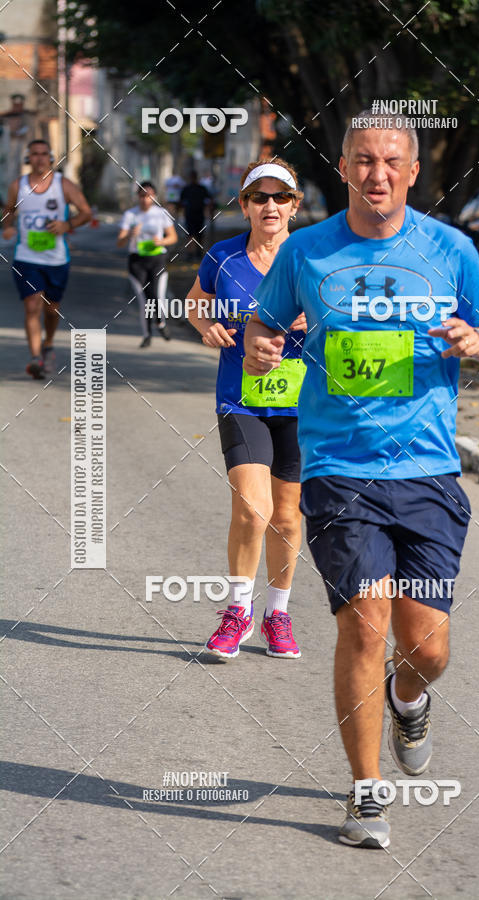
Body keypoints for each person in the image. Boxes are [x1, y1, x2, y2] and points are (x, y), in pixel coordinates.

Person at [244, 114, 479, 848]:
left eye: (392, 160)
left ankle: (408, 696)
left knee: (427, 649)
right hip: (339, 472)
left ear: (414, 170)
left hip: (428, 474)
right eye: (364, 160)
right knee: (365, 623)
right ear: (343, 167)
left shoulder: (451, 250)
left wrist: (477, 341)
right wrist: (264, 350)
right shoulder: (306, 251)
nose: (377, 173)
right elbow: (264, 328)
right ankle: (366, 794)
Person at [185, 158, 305, 660]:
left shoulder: (312, 257)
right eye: (261, 197)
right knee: (252, 510)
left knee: (288, 519)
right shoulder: (223, 256)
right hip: (241, 399)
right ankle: (238, 611)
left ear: (294, 207)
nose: (270, 206)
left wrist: (313, 319)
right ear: (246, 205)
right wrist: (205, 325)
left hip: (302, 402)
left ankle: (277, 613)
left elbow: (349, 314)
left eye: (281, 198)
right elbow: (195, 301)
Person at [1, 139, 92, 378]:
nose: (40, 158)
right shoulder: (18, 186)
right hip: (26, 258)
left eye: (44, 154)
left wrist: (67, 224)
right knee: (32, 305)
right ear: (28, 158)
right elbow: (9, 210)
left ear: (50, 158)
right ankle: (35, 358)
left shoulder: (63, 185)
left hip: (57, 259)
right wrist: (7, 227)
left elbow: (86, 212)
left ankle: (48, 343)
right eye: (35, 154)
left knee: (52, 310)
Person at [117, 182, 177, 348]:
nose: (145, 199)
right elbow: (119, 242)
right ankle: (147, 335)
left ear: (155, 196)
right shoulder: (130, 214)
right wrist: (129, 234)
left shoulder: (161, 214)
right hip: (137, 261)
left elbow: (173, 237)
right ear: (137, 197)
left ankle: (161, 322)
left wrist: (162, 241)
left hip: (157, 258)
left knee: (157, 295)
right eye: (142, 195)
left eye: (149, 195)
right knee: (144, 300)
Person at [178, 171, 212, 259]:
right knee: (190, 235)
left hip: (199, 215)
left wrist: (209, 211)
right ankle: (190, 253)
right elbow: (181, 202)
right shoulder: (187, 189)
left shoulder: (201, 188)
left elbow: (209, 200)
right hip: (189, 215)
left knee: (199, 234)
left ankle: (198, 252)